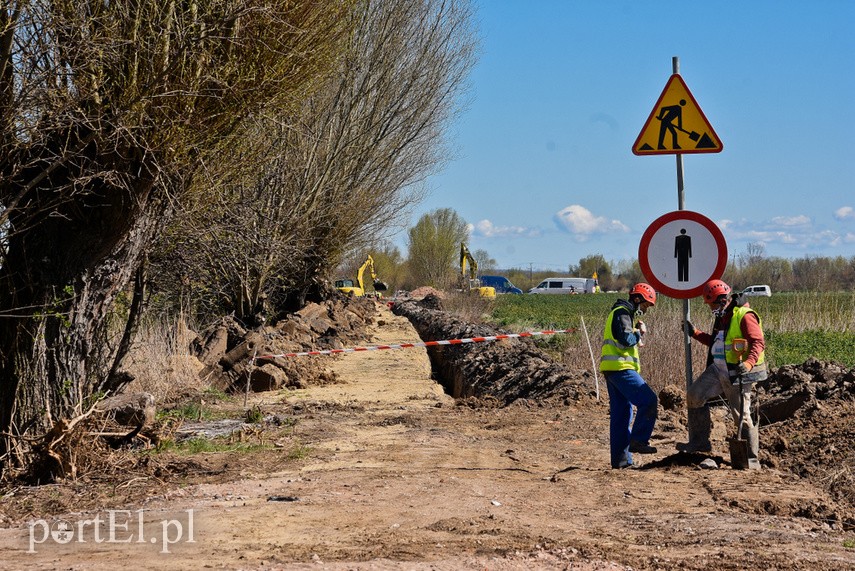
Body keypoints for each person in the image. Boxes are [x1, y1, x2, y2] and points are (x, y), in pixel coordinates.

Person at [681, 279, 767, 467]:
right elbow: (716, 342)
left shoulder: (744, 315)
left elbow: (758, 342)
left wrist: (749, 363)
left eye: (710, 303)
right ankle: (700, 441)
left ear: (720, 300)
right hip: (717, 369)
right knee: (694, 396)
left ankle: (751, 459)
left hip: (737, 372)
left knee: (741, 415)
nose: (709, 307)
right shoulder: (723, 316)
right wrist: (695, 333)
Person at [600, 283, 659, 469]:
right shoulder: (623, 312)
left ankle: (621, 462)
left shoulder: (621, 312)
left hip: (612, 368)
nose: (646, 309)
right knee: (648, 400)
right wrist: (639, 334)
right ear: (637, 299)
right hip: (621, 369)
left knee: (621, 415)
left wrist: (635, 331)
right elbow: (625, 339)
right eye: (646, 305)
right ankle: (639, 440)